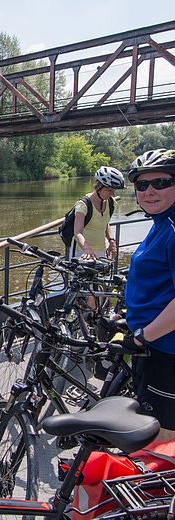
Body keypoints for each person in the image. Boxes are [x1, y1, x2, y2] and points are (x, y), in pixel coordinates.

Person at [124, 148, 175, 441]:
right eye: (142, 185)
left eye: (160, 183)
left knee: (161, 440)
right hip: (153, 343)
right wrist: (128, 315)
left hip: (164, 351)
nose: (149, 191)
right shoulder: (161, 224)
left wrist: (143, 336)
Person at [73, 166, 125, 260]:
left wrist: (111, 240)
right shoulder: (83, 205)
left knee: (104, 274)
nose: (112, 194)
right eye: (109, 190)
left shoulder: (110, 202)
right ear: (98, 186)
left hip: (102, 252)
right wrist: (87, 249)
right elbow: (77, 233)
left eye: (114, 191)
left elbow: (105, 223)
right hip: (83, 253)